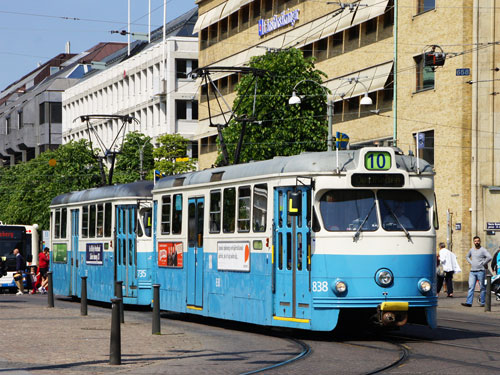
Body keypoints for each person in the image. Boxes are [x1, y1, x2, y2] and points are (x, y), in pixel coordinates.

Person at [462, 236, 492, 307]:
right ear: (473, 242)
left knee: (482, 287)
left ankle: (483, 303)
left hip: (480, 271)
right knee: (471, 287)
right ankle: (469, 303)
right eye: (475, 241)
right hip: (472, 271)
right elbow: (467, 257)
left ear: (480, 241)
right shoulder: (471, 250)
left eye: (478, 241)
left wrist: (483, 263)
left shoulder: (483, 250)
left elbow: (489, 257)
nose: (476, 242)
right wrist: (471, 262)